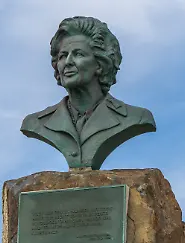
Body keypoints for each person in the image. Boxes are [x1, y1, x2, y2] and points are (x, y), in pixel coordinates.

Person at [21, 16, 156, 170]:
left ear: (100, 64)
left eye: (78, 54)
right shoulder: (36, 123)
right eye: (63, 56)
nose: (68, 62)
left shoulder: (136, 117)